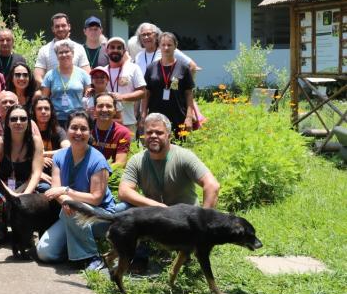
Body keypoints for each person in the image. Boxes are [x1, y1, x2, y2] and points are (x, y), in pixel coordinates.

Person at [118, 112, 220, 272]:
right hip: (156, 218)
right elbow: (124, 191)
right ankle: (139, 257)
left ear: (169, 135)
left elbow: (212, 185)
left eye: (159, 132)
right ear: (143, 135)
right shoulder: (137, 160)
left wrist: (204, 223)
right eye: (149, 132)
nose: (153, 136)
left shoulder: (184, 156)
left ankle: (188, 252)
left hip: (184, 221)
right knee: (125, 209)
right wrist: (157, 206)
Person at [36, 111, 116, 271]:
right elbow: (54, 189)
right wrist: (65, 200)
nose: (78, 133)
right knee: (45, 253)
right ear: (67, 130)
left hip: (100, 215)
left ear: (90, 132)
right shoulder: (59, 156)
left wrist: (66, 193)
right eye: (74, 128)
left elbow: (96, 198)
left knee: (75, 209)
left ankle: (92, 257)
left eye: (83, 129)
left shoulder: (97, 160)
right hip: (70, 214)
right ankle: (76, 248)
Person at [0, 105, 47, 240]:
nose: (18, 122)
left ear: (28, 122)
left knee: (46, 192)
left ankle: (31, 228)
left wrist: (25, 194)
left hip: (27, 185)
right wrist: (10, 193)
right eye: (14, 119)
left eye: (23, 119)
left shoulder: (35, 141)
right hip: (3, 186)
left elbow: (37, 173)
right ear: (7, 122)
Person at [142, 32, 196, 136]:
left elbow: (189, 93)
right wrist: (143, 114)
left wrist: (189, 117)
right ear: (159, 46)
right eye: (163, 45)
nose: (166, 48)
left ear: (175, 46)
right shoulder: (151, 68)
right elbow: (146, 94)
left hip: (178, 116)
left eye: (169, 45)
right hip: (156, 117)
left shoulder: (183, 68)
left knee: (178, 147)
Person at [41, 41, 91, 129]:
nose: (64, 55)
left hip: (77, 118)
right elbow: (44, 99)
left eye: (67, 52)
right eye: (60, 52)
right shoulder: (50, 75)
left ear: (73, 53)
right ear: (56, 55)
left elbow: (89, 98)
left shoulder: (83, 74)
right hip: (56, 119)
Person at [104, 37, 145, 135]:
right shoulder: (102, 71)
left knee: (129, 150)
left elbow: (142, 92)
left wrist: (121, 97)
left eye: (119, 48)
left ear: (124, 51)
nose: (115, 50)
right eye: (112, 47)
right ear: (106, 50)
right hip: (105, 122)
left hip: (128, 122)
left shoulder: (133, 68)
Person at [34, 12, 90, 83]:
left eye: (63, 25)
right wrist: (48, 89)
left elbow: (87, 74)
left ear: (69, 26)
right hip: (52, 93)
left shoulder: (79, 48)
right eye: (57, 26)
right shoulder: (44, 50)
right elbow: (38, 76)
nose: (60, 29)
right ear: (52, 29)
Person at [132, 22, 198, 77]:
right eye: (143, 35)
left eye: (149, 34)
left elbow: (193, 66)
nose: (146, 37)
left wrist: (182, 86)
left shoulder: (168, 50)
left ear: (156, 35)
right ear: (140, 38)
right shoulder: (139, 56)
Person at [32, 96, 69, 181]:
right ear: (34, 111)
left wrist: (42, 154)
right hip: (32, 172)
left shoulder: (57, 130)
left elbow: (67, 149)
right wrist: (40, 159)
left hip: (54, 173)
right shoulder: (28, 130)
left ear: (51, 111)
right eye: (39, 109)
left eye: (46, 108)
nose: (43, 111)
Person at [92, 93, 132, 167]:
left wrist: (98, 171)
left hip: (112, 175)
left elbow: (120, 163)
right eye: (100, 106)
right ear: (94, 109)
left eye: (109, 106)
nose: (104, 109)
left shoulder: (123, 133)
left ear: (115, 110)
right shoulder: (86, 129)